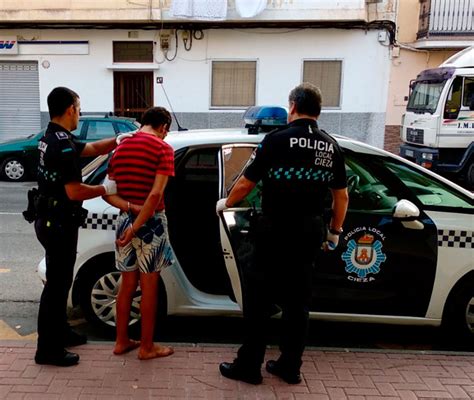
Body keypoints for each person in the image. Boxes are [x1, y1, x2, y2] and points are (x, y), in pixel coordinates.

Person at [216, 83, 349, 384]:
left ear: (292, 106)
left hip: (274, 232)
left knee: (258, 301)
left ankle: (249, 366)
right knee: (298, 304)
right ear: (318, 110)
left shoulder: (276, 140)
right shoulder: (331, 145)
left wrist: (227, 202)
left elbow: (246, 183)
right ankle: (290, 366)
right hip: (309, 234)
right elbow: (341, 197)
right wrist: (335, 231)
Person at [34, 87, 120, 367]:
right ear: (70, 108)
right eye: (79, 109)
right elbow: (74, 191)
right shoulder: (62, 145)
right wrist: (103, 188)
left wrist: (119, 140)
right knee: (56, 288)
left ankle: (61, 332)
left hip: (50, 219)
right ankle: (48, 350)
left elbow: (92, 149)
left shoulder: (53, 137)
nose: (79, 114)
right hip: (58, 222)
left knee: (60, 284)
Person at [103, 106, 176, 360]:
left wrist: (130, 213)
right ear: (164, 127)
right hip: (151, 224)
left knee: (126, 285)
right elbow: (155, 195)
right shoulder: (162, 148)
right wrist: (139, 224)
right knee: (149, 287)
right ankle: (146, 347)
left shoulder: (120, 148)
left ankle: (121, 341)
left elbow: (109, 193)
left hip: (124, 221)